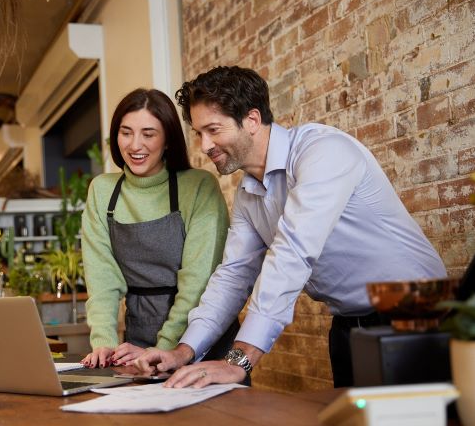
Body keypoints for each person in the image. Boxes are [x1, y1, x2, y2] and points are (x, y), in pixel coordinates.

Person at [135, 66, 447, 388]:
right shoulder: (248, 193)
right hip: (350, 324)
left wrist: (238, 360)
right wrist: (184, 351)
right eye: (199, 133)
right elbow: (233, 276)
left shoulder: (323, 152)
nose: (204, 145)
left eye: (213, 130)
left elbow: (292, 253)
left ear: (252, 120)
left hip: (416, 309)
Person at [81, 88, 235, 369]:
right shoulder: (102, 191)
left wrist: (163, 349)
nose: (135, 145)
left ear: (167, 141)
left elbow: (198, 281)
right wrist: (104, 343)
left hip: (199, 338)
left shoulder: (199, 187)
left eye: (148, 134)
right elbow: (102, 277)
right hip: (138, 332)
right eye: (126, 133)